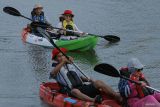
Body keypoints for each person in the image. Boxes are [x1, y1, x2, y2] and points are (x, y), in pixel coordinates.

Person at [50, 48, 122, 104]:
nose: (62, 57)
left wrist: (89, 80)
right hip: (70, 92)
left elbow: (80, 78)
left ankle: (116, 95)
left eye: (63, 55)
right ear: (55, 59)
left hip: (82, 87)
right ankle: (93, 100)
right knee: (75, 91)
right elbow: (53, 74)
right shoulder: (55, 67)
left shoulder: (72, 65)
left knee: (98, 82)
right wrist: (63, 62)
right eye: (59, 56)